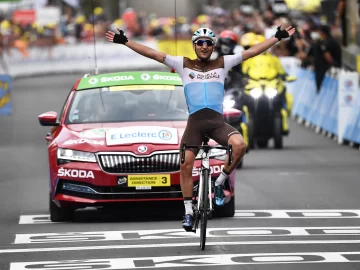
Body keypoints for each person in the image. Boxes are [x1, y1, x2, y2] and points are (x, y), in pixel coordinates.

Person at [105, 25, 295, 231]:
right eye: (200, 43)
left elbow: (251, 52)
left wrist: (276, 38)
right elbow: (153, 53)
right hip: (194, 124)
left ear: (213, 46)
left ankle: (220, 183)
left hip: (217, 123)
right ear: (194, 46)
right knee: (186, 165)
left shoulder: (223, 62)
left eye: (208, 43)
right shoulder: (183, 64)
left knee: (240, 145)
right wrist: (126, 42)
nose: (204, 46)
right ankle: (188, 212)